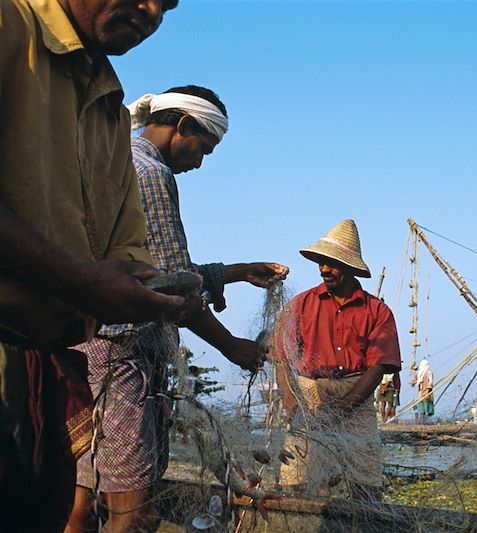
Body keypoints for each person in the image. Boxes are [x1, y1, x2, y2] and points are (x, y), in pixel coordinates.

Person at [0, 1, 192, 530]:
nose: (152, 11)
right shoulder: (10, 24)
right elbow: (98, 273)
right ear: (181, 127)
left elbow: (127, 255)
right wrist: (82, 280)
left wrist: (146, 284)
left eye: (168, 5)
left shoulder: (108, 106)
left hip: (49, 370)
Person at [65, 86, 289, 532]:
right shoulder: (149, 172)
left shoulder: (115, 157)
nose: (200, 163)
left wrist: (235, 271)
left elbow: (146, 268)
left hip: (86, 349)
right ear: (183, 125)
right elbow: (173, 289)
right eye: (203, 148)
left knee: (83, 504)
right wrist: (231, 346)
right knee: (133, 513)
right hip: (121, 357)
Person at [270, 219, 401, 500]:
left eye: (332, 263)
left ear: (351, 267)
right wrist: (292, 403)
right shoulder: (300, 305)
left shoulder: (377, 312)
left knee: (364, 479)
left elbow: (377, 367)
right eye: (321, 262)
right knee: (297, 476)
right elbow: (282, 358)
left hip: (356, 393)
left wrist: (345, 406)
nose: (324, 269)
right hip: (308, 394)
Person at [412, 359, 434, 424]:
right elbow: (413, 382)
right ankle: (422, 422)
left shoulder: (424, 374)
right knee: (423, 410)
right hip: (423, 394)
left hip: (424, 394)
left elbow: (430, 384)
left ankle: (422, 422)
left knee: (424, 410)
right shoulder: (421, 374)